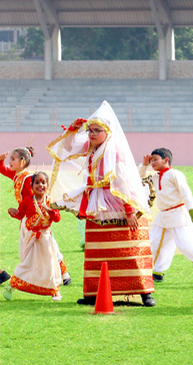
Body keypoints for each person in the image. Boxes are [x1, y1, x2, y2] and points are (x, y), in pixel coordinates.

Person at [49, 101, 155, 307]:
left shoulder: (116, 152)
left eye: (97, 131)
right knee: (96, 249)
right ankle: (92, 293)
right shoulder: (90, 147)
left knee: (130, 250)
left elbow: (124, 183)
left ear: (107, 132)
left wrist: (130, 211)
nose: (91, 134)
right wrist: (73, 129)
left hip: (118, 203)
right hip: (96, 202)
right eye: (90, 130)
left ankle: (145, 292)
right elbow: (68, 147)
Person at [139, 148, 193, 284]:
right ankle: (157, 272)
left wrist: (191, 208)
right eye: (151, 160)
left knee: (183, 243)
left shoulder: (174, 174)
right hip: (163, 215)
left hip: (178, 213)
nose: (152, 162)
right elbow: (139, 177)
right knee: (155, 241)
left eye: (155, 160)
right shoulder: (155, 176)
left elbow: (185, 191)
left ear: (166, 160)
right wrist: (144, 164)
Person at [4, 173, 67, 301]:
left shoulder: (50, 201)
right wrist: (14, 213)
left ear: (48, 186)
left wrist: (49, 210)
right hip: (31, 237)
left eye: (43, 182)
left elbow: (57, 218)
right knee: (29, 263)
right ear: (32, 186)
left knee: (50, 263)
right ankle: (12, 285)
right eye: (37, 182)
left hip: (45, 238)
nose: (40, 185)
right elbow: (21, 214)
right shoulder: (27, 200)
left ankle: (54, 290)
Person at [0, 146, 40, 288]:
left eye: (13, 159)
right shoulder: (18, 176)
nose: (10, 161)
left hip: (33, 218)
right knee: (29, 248)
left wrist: (23, 214)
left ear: (22, 162)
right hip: (24, 218)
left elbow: (34, 199)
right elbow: (4, 170)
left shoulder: (28, 178)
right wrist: (1, 161)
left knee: (42, 246)